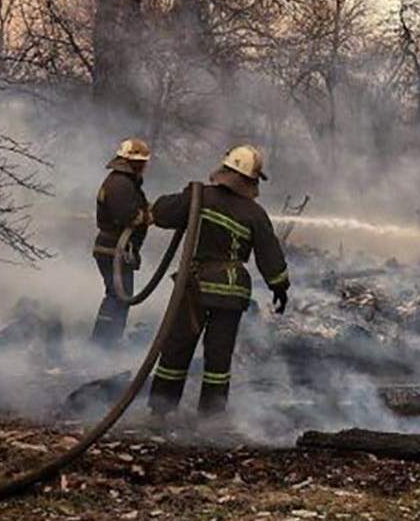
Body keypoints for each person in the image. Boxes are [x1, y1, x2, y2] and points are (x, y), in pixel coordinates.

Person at [148, 145, 290, 416]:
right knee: (219, 356)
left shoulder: (199, 196)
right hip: (232, 293)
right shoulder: (255, 214)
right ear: (251, 180)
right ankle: (211, 416)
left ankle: (160, 410)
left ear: (225, 170)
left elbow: (164, 213)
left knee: (177, 347)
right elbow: (270, 255)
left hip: (194, 287)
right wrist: (279, 286)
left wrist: (151, 209)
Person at [91, 138, 153, 346]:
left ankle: (106, 342)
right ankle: (103, 344)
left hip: (115, 249)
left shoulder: (122, 182)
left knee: (118, 297)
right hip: (115, 250)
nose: (145, 167)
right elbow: (127, 216)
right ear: (135, 163)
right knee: (118, 297)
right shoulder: (121, 184)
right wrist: (148, 216)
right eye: (143, 162)